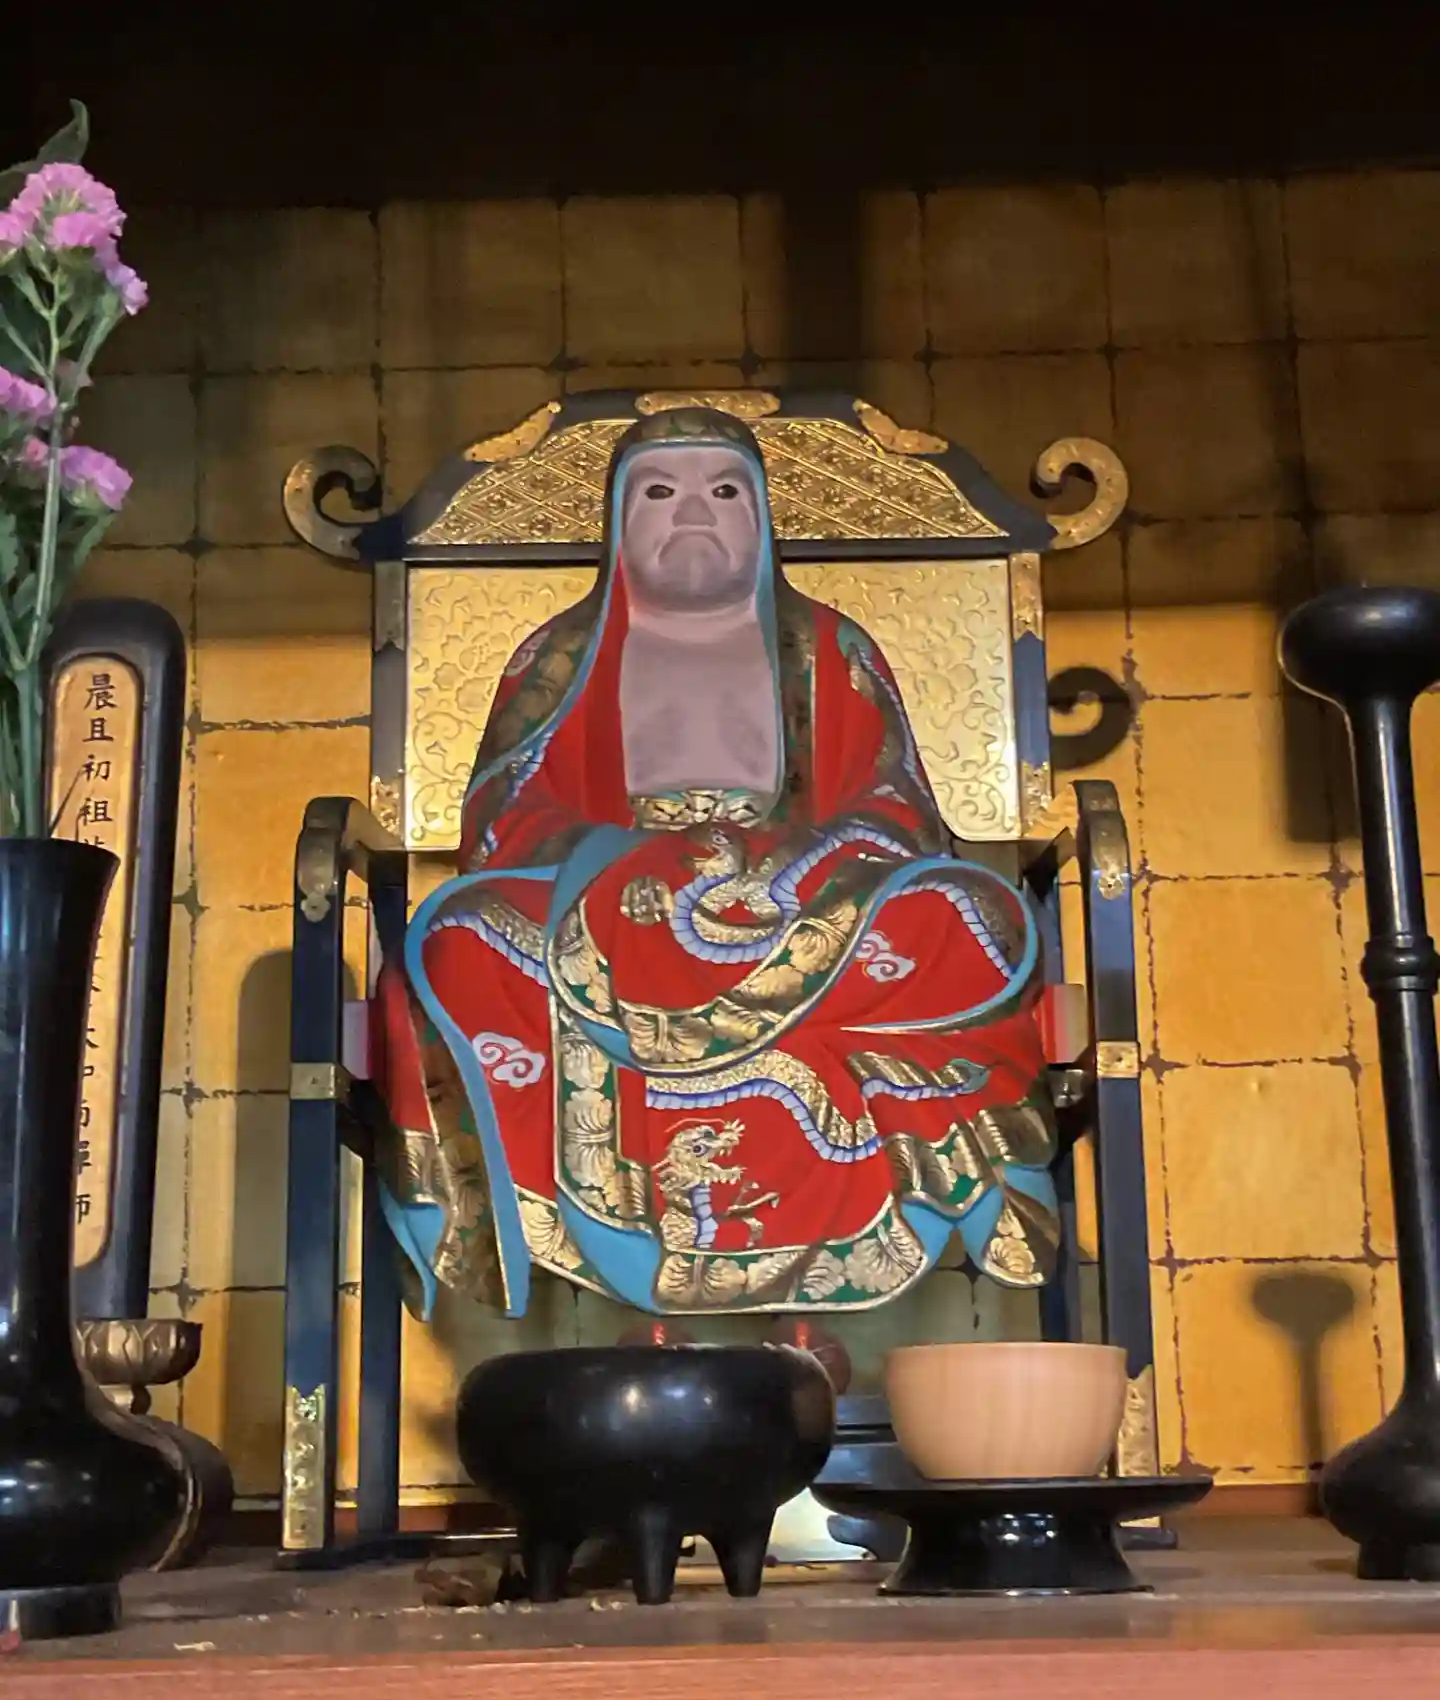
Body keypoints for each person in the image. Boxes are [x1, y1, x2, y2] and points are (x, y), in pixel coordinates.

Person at [372, 406, 1058, 1320]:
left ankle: (957, 1164)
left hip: (804, 895)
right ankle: (539, 1212)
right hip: (610, 899)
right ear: (616, 522)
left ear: (763, 517)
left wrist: (798, 862)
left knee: (963, 918)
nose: (694, 512)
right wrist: (625, 865)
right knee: (456, 939)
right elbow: (506, 809)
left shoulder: (829, 647)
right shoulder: (562, 654)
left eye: (725, 492)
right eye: (660, 492)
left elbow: (895, 802)